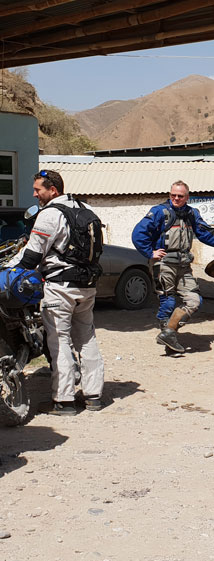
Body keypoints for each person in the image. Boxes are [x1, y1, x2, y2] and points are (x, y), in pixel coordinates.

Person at [12, 170, 104, 415]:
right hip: (87, 287)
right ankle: (93, 396)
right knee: (87, 339)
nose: (35, 194)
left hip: (59, 289)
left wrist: (11, 270)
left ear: (52, 190)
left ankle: (64, 401)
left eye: (38, 190)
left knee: (59, 342)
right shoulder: (86, 209)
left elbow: (31, 256)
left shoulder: (50, 214)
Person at [132, 180, 214, 354]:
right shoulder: (159, 212)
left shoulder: (192, 214)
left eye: (180, 196)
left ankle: (168, 333)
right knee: (168, 301)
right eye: (173, 195)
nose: (176, 198)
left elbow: (206, 233)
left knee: (194, 300)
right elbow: (138, 234)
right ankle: (169, 337)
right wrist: (150, 252)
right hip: (164, 264)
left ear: (187, 197)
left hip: (184, 266)